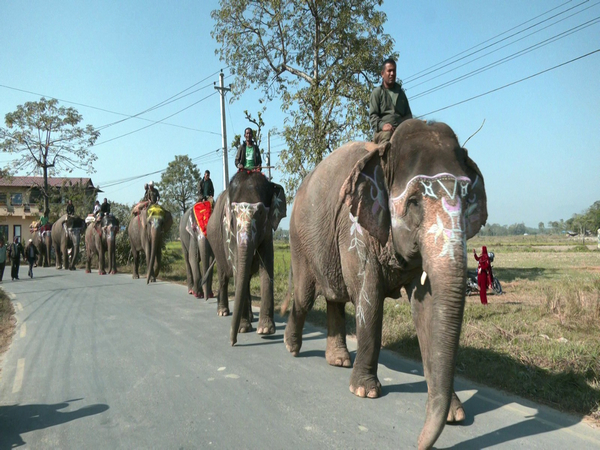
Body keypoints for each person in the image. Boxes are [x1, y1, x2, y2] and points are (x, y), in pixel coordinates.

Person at [369, 58, 413, 144]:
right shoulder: (377, 93)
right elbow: (373, 117)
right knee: (388, 135)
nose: (392, 74)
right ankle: (383, 156)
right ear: (382, 74)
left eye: (394, 71)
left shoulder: (401, 93)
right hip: (383, 133)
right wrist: (383, 126)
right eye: (389, 71)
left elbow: (408, 115)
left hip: (401, 131)